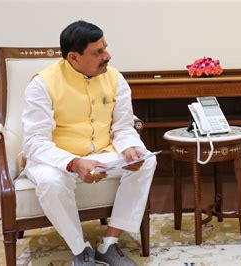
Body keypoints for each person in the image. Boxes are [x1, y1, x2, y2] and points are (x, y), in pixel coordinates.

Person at [22, 20, 156, 265]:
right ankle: (80, 250)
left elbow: (123, 126)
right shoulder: (42, 84)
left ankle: (109, 244)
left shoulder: (115, 78)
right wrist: (73, 163)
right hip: (55, 159)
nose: (108, 56)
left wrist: (129, 149)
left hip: (103, 153)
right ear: (74, 57)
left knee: (146, 160)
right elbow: (34, 142)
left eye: (105, 48)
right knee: (51, 182)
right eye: (98, 52)